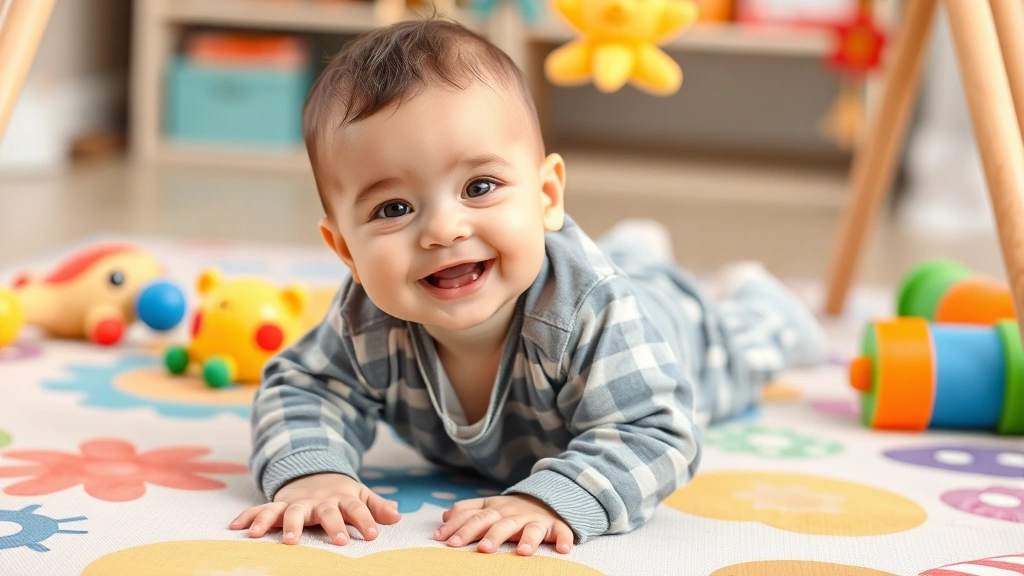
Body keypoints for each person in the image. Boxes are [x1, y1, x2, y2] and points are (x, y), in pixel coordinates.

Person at [230, 17, 827, 557]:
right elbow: (304, 388)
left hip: (670, 333)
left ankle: (760, 303)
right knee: (627, 267)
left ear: (546, 197)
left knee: (738, 353)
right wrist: (312, 473)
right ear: (345, 252)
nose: (443, 228)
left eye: (480, 187)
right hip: (594, 281)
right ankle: (636, 249)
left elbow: (658, 431)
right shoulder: (366, 319)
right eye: (393, 207)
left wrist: (551, 498)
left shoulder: (588, 310)